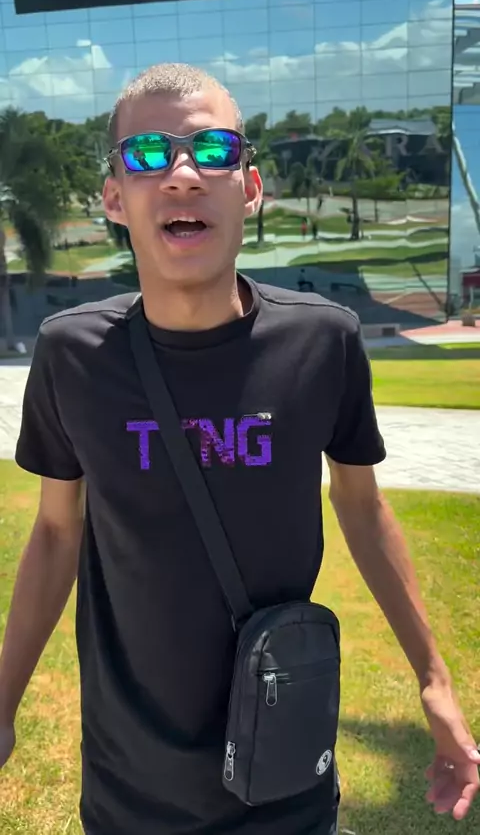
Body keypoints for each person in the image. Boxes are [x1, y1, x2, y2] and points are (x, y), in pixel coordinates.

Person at [0, 63, 478, 835]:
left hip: (283, 770)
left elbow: (362, 508)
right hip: (129, 784)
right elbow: (58, 531)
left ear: (250, 188)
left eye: (213, 150)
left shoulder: (322, 342)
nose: (183, 172)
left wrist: (434, 680)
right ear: (115, 199)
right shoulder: (73, 354)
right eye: (149, 154)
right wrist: (3, 703)